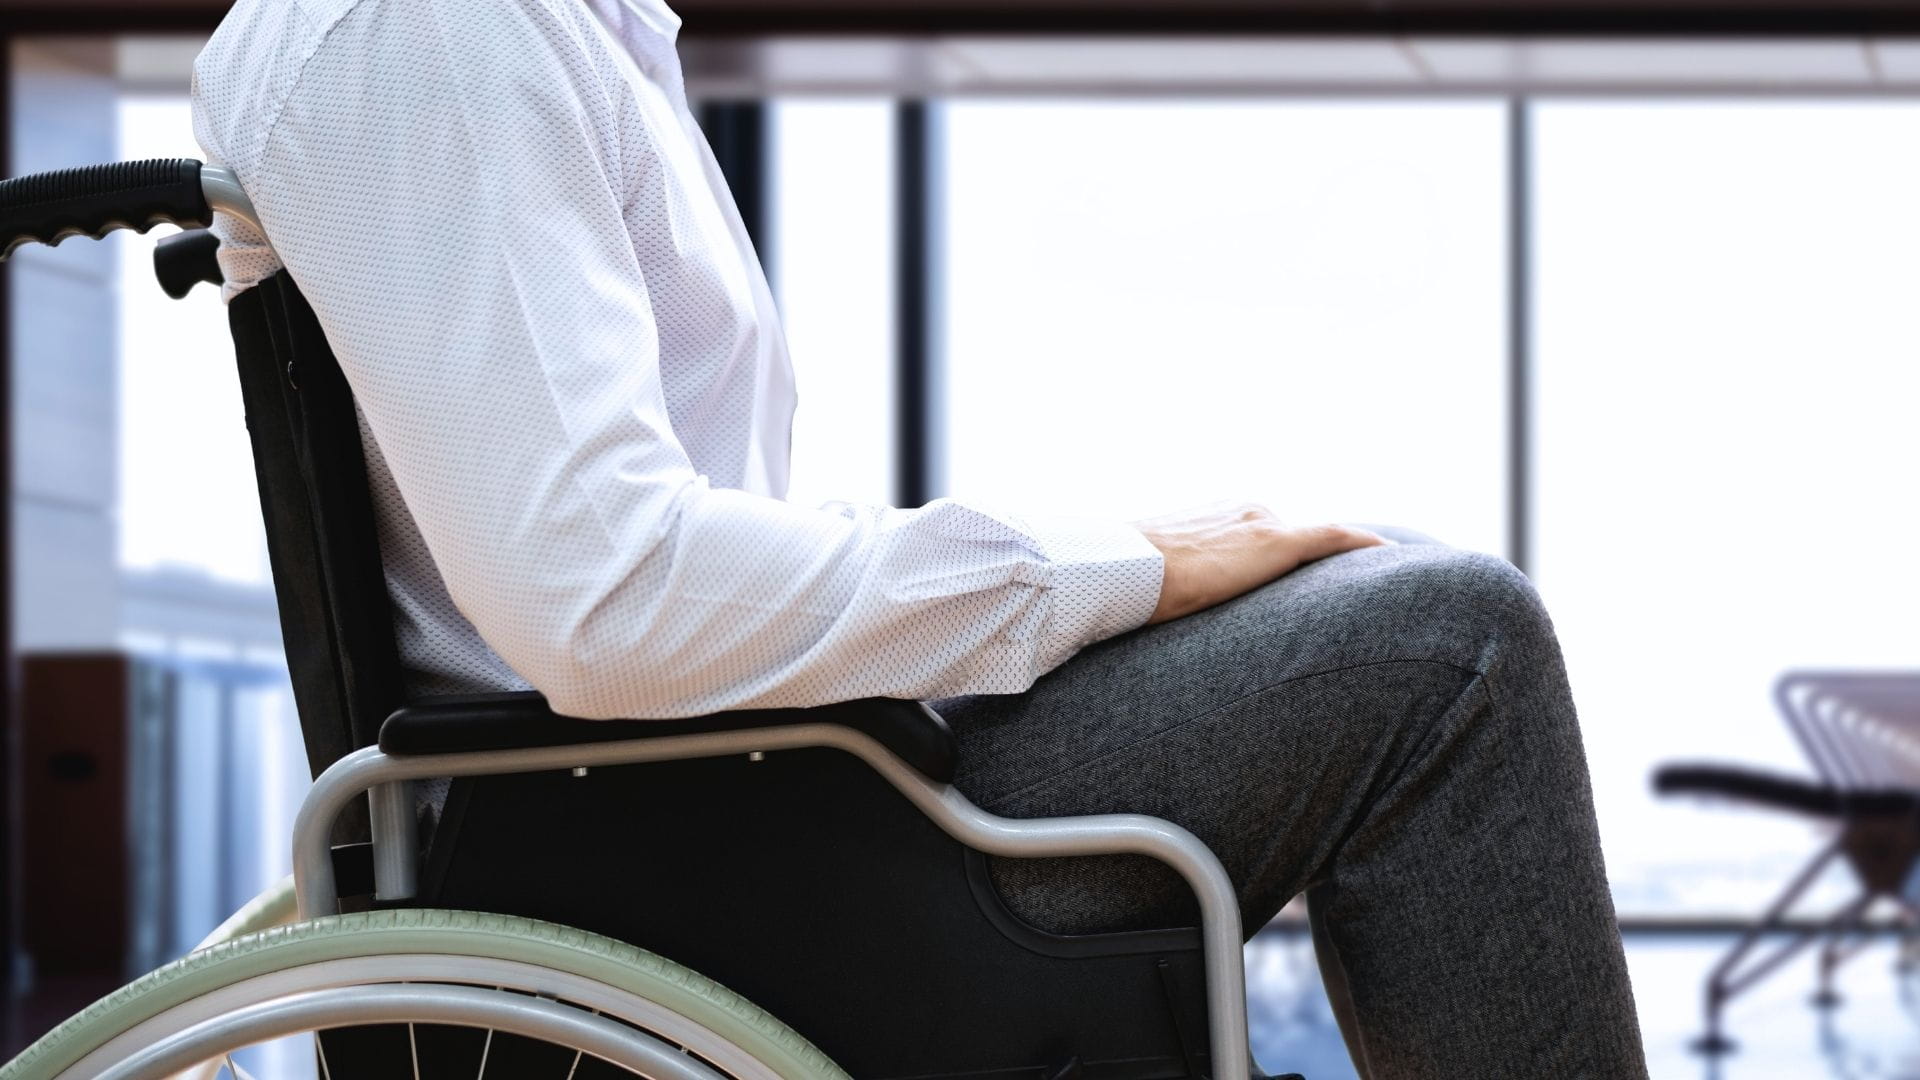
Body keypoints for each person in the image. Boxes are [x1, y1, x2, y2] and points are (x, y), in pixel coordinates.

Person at [191, 0, 1648, 1074]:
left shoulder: (532, 33)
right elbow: (610, 599)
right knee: (1450, 648)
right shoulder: (433, 32)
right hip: (688, 842)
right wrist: (1080, 570)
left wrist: (1113, 559)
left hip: (712, 790)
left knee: (1364, 570)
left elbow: (641, 552)